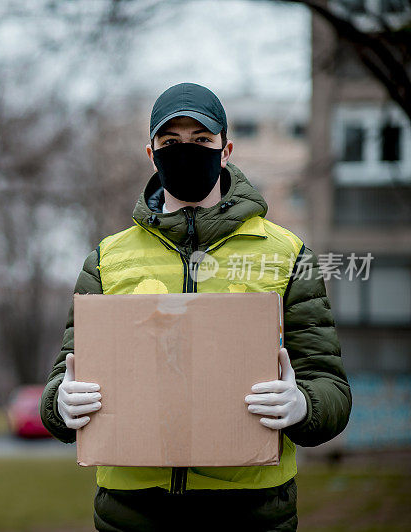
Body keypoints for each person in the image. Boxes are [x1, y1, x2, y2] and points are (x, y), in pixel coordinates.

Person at [39, 82, 351, 531]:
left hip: (250, 510)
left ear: (226, 150)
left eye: (202, 141)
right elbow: (62, 381)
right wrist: (60, 405)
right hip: (133, 511)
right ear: (151, 153)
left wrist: (304, 404)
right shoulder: (107, 259)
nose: (186, 151)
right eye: (171, 142)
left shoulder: (286, 254)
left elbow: (331, 386)